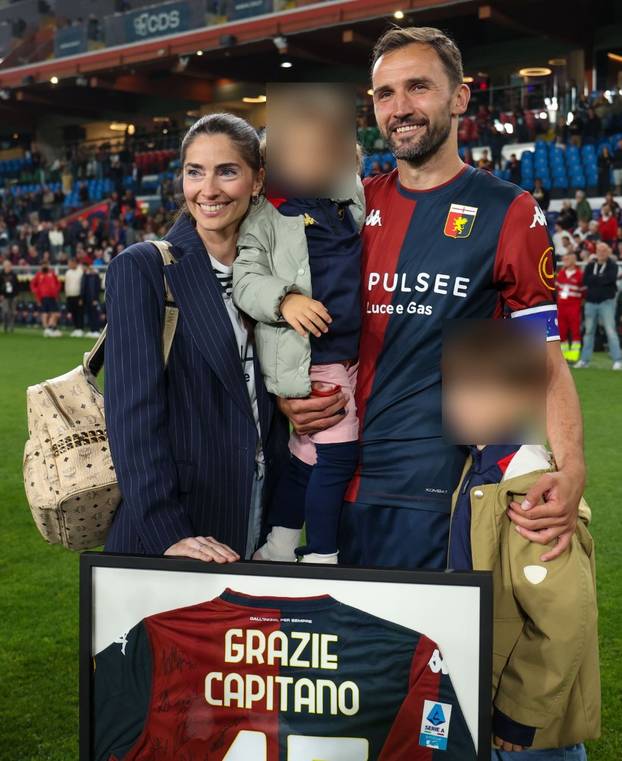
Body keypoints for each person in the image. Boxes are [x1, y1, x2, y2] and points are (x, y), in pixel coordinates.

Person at [277, 26, 585, 569]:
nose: (400, 107)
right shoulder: (348, 209)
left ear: (459, 97)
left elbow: (541, 357)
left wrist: (573, 465)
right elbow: (281, 317)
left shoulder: (508, 212)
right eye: (385, 94)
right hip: (334, 482)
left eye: (418, 87)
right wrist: (288, 396)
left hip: (440, 493)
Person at [103, 113, 288, 561]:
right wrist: (168, 533)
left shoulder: (278, 272)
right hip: (175, 528)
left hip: (259, 518)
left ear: (257, 180)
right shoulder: (143, 267)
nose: (208, 189)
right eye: (195, 172)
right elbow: (133, 417)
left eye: (227, 171)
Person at [233, 93, 364, 565]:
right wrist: (285, 299)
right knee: (338, 455)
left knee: (306, 454)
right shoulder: (268, 214)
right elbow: (245, 278)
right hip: (312, 356)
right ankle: (323, 553)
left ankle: (281, 544)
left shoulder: (343, 201)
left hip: (349, 353)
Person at [448, 444, 599, 761]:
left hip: (523, 731)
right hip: (488, 697)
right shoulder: (477, 464)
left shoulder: (530, 488)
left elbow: (561, 616)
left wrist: (520, 713)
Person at [575, 241, 622, 370]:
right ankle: (584, 360)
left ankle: (618, 360)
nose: (601, 253)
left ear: (608, 252)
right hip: (590, 302)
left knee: (610, 331)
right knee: (588, 332)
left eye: (604, 250)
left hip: (606, 302)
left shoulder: (613, 265)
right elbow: (585, 281)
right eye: (599, 250)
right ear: (596, 252)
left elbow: (610, 279)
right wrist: (600, 279)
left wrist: (595, 279)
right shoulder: (591, 265)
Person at [556, 251, 584, 362]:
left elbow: (583, 293)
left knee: (575, 331)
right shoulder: (561, 274)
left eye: (567, 259)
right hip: (561, 306)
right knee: (562, 332)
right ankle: (564, 356)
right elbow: (557, 290)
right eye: (564, 259)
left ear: (574, 260)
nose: (564, 261)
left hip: (574, 306)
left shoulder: (580, 275)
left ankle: (573, 356)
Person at [30, 263, 61, 337]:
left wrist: (56, 291)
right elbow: (32, 284)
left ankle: (52, 328)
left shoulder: (52, 274)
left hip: (52, 296)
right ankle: (47, 328)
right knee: (46, 313)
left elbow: (58, 283)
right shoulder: (39, 275)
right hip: (43, 296)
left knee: (55, 313)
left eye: (46, 265)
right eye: (43, 265)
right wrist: (36, 291)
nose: (44, 266)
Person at [64, 257, 84, 336]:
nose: (69, 265)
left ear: (74, 263)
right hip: (70, 295)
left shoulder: (80, 271)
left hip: (78, 295)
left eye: (70, 263)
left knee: (79, 313)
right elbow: (66, 284)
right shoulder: (68, 272)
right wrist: (67, 295)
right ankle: (76, 328)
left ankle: (80, 328)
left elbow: (82, 285)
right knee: (73, 313)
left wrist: (81, 297)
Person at [81, 264, 102, 337]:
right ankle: (92, 330)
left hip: (94, 300)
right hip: (87, 300)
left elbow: (97, 289)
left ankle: (96, 330)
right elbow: (84, 288)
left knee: (95, 315)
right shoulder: (86, 276)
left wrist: (95, 299)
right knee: (90, 315)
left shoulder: (95, 277)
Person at [1, 259, 19, 332]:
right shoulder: (1, 275)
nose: (8, 267)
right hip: (4, 296)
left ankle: (11, 326)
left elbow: (17, 285)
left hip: (13, 295)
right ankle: (5, 325)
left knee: (12, 312)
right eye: (6, 265)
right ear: (4, 266)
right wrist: (1, 294)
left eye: (9, 265)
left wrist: (17, 294)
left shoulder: (14, 275)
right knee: (5, 311)